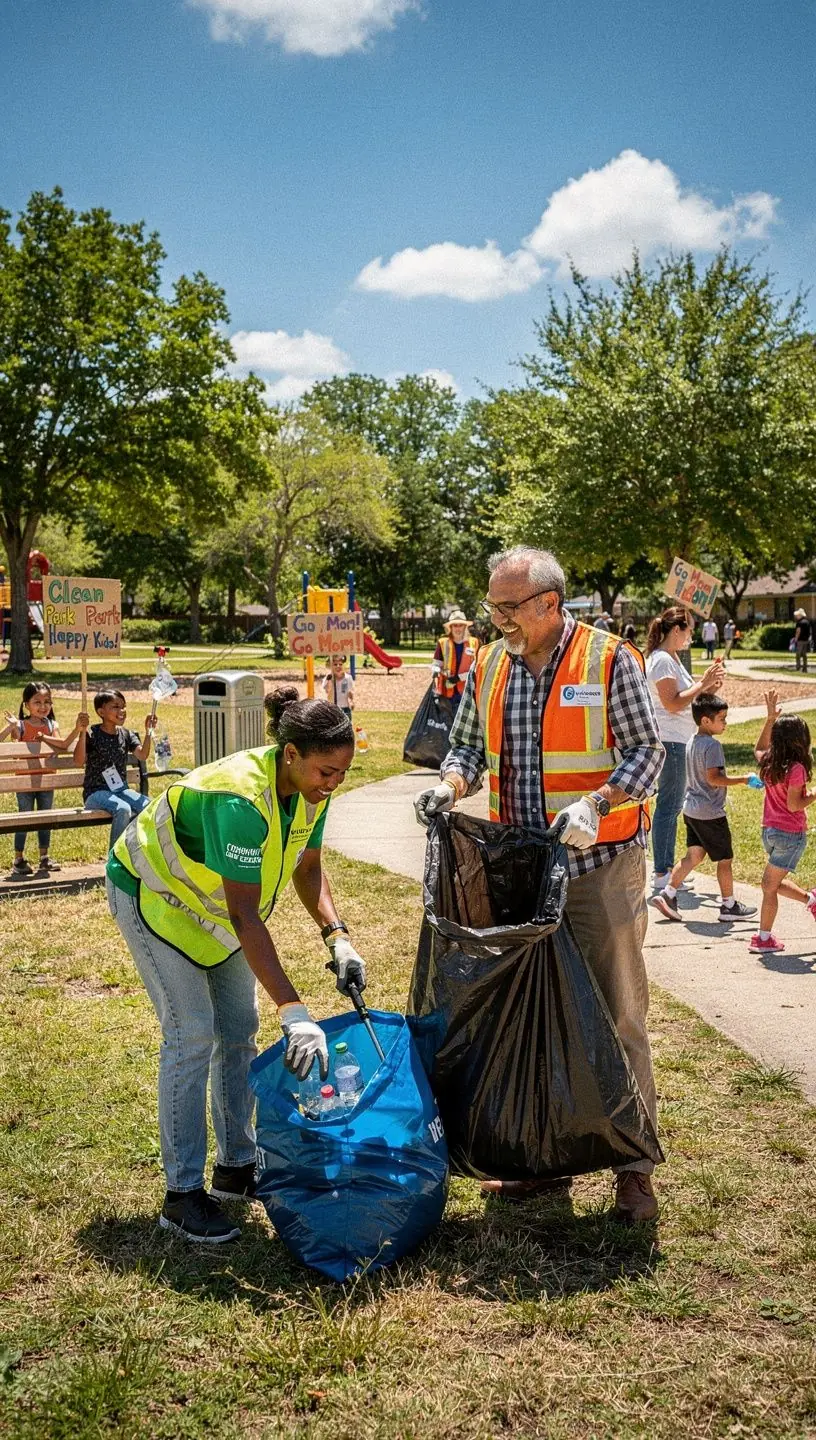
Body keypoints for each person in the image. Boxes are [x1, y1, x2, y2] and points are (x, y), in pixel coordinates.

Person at [414, 546, 665, 1223]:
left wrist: (600, 801)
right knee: (531, 1014)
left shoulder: (610, 659)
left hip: (598, 870)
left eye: (509, 607)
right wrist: (451, 783)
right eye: (494, 606)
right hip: (519, 871)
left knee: (617, 1016)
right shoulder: (490, 664)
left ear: (550, 604)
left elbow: (648, 751)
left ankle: (633, 1167)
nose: (498, 619)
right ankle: (541, 1160)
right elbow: (467, 743)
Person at [107, 686, 365, 1242]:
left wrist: (337, 937)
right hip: (155, 897)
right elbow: (248, 916)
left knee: (240, 1030)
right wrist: (294, 1009)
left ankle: (235, 1168)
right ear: (290, 754)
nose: (333, 783)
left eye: (341, 773)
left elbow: (307, 865)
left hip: (215, 910)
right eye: (326, 771)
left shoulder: (311, 789)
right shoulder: (240, 800)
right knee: (192, 1033)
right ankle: (181, 1196)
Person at [650, 693, 757, 923]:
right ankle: (729, 905)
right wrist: (744, 780)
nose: (725, 723)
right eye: (722, 719)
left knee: (694, 855)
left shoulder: (691, 741)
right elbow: (714, 778)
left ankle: (668, 894)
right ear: (706, 721)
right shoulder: (713, 746)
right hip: (710, 812)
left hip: (692, 809)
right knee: (725, 859)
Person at [645, 608, 725, 888]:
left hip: (679, 740)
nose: (692, 635)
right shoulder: (662, 660)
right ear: (676, 629)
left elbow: (689, 700)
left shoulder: (672, 659)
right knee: (669, 806)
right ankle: (662, 872)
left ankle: (664, 869)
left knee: (672, 804)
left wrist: (709, 687)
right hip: (670, 742)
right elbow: (672, 703)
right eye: (689, 629)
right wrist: (703, 683)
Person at [749, 689, 816, 954]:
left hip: (780, 833)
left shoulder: (775, 763)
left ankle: (763, 937)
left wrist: (769, 720)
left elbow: (760, 748)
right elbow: (794, 804)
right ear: (801, 741)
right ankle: (811, 900)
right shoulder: (791, 767)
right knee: (772, 884)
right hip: (782, 834)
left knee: (769, 886)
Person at [0, 682, 89, 877]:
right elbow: (5, 743)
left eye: (47, 702)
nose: (43, 706)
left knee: (45, 818)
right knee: (23, 818)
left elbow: (61, 745)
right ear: (26, 705)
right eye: (37, 702)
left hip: (47, 780)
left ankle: (44, 857)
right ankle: (18, 859)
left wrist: (49, 738)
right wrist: (11, 727)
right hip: (24, 782)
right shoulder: (21, 726)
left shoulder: (51, 725)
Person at [82, 690, 155, 845]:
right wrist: (81, 732)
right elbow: (78, 760)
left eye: (123, 707)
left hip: (121, 790)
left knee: (149, 806)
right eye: (115, 707)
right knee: (122, 809)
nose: (122, 711)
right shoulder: (91, 733)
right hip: (95, 793)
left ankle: (137, 851)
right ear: (101, 712)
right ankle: (115, 860)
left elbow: (142, 755)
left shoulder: (126, 734)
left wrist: (148, 731)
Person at [432, 611, 480, 713]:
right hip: (446, 691)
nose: (458, 628)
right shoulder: (443, 642)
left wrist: (459, 678)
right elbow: (436, 665)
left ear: (465, 627)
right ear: (450, 627)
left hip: (467, 691)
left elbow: (478, 668)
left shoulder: (474, 642)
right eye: (455, 625)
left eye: (460, 625)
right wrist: (439, 672)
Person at [321, 654, 354, 720]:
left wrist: (351, 701)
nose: (338, 666)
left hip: (345, 708)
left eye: (340, 664)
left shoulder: (348, 678)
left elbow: (349, 692)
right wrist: (330, 680)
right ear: (331, 666)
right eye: (335, 664)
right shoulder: (328, 678)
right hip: (333, 709)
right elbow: (328, 693)